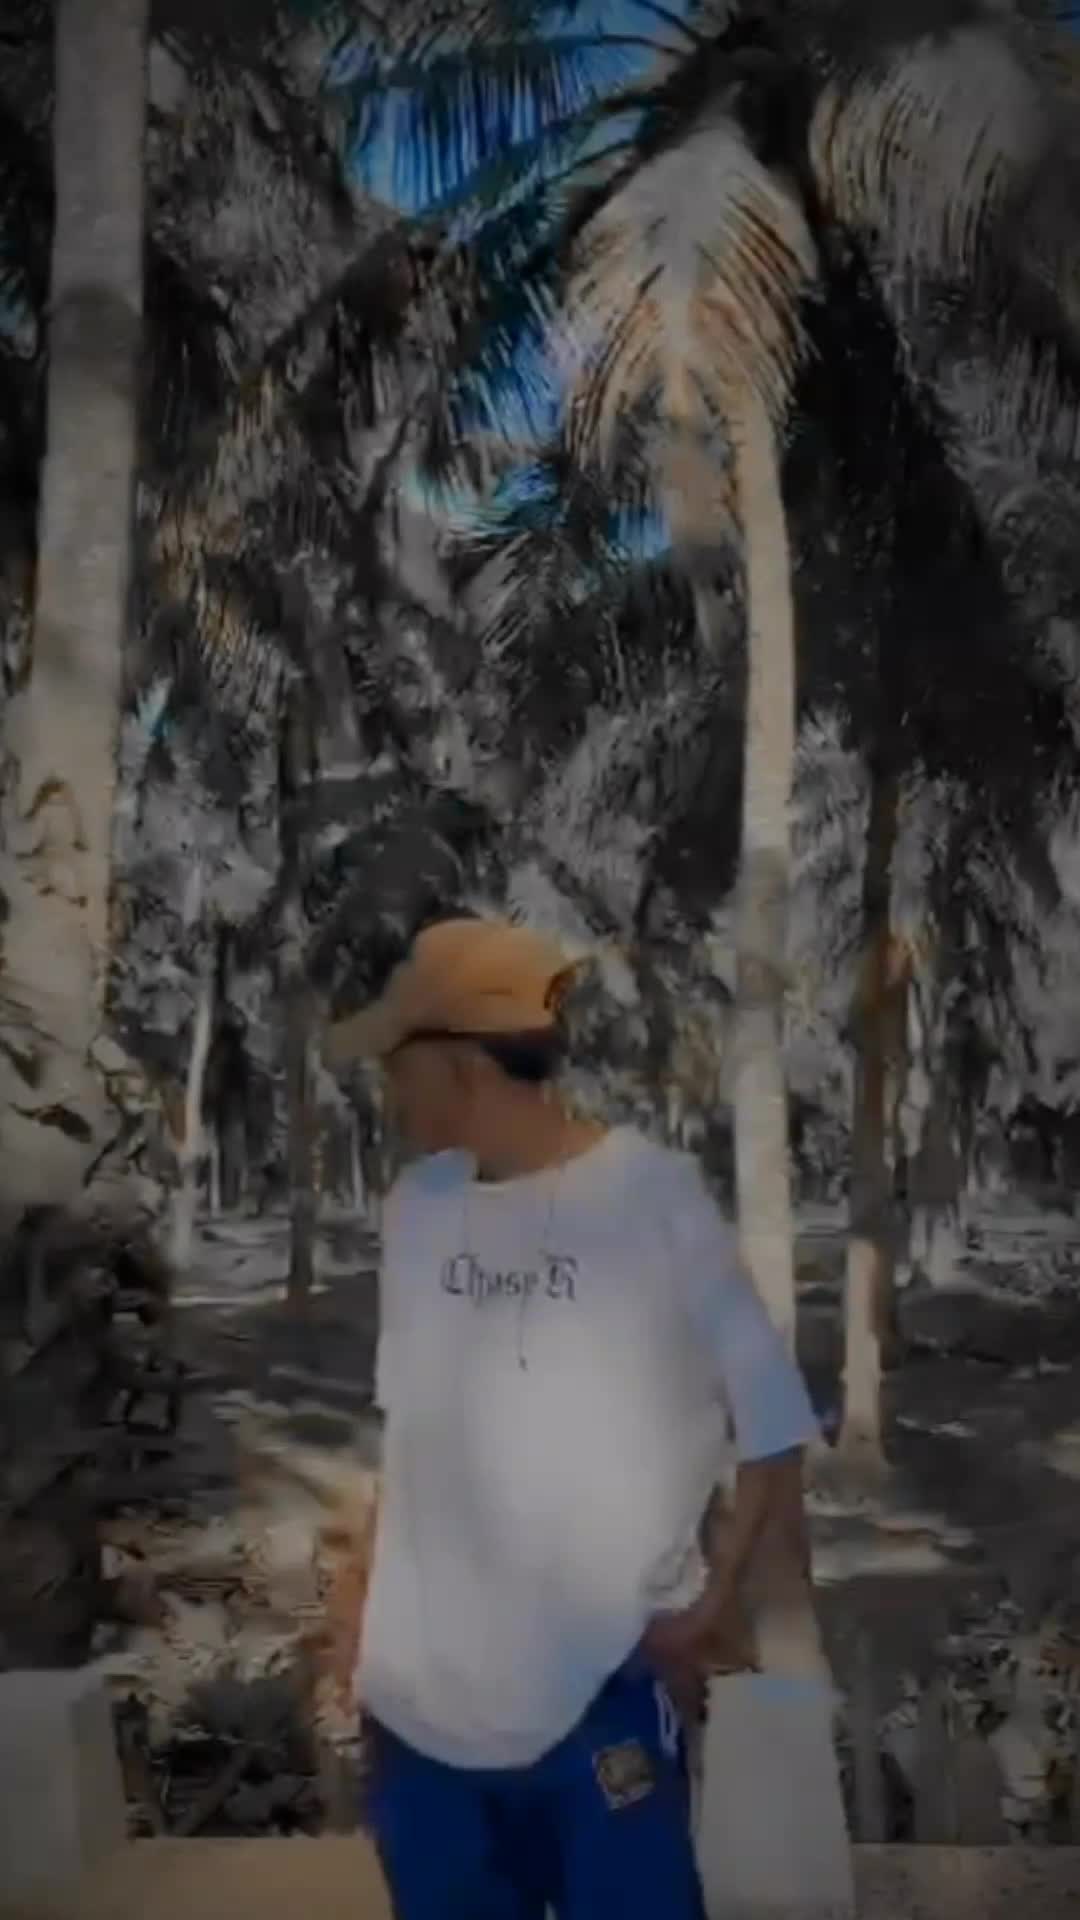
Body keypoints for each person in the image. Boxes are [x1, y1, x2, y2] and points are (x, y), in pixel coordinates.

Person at [322, 915, 820, 1920]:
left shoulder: (653, 1199)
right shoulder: (417, 1209)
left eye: (398, 1065)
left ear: (462, 1067)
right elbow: (411, 1437)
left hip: (595, 1704)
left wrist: (710, 1606)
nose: (387, 1088)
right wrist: (361, 1622)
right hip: (420, 1719)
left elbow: (772, 1422)